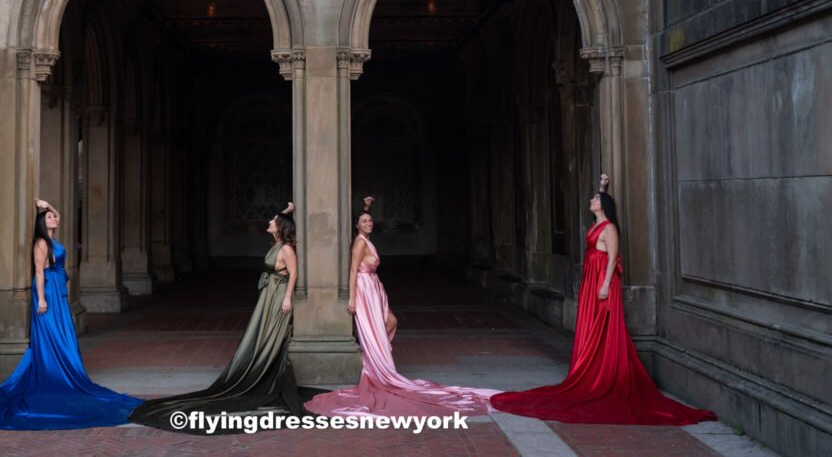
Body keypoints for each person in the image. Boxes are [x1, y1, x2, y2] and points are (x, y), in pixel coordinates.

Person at [490, 175, 716, 425]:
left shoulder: (609, 229)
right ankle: (590, 368)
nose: (591, 200)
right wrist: (602, 187)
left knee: (603, 325)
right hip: (592, 280)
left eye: (595, 199)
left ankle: (601, 373)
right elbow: (599, 222)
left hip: (602, 281)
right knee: (592, 326)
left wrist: (606, 284)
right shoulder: (598, 224)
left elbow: (612, 259)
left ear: (604, 206)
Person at [0, 200, 142, 430]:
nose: (54, 218)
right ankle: (53, 374)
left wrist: (47, 205)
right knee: (51, 334)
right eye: (49, 218)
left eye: (53, 217)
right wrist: (41, 299)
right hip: (48, 291)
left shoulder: (53, 238)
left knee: (64, 334)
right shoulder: (41, 243)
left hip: (58, 291)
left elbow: (59, 216)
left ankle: (67, 370)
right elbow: (39, 272)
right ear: (43, 225)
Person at [130, 202, 316, 434]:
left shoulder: (286, 249)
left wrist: (287, 298)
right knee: (260, 333)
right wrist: (287, 212)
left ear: (280, 227)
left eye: (273, 221)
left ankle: (267, 374)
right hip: (269, 294)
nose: (269, 222)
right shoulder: (277, 243)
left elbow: (294, 273)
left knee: (272, 336)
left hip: (278, 296)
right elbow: (279, 224)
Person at [305, 196, 498, 417]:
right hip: (364, 288)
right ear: (357, 225)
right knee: (377, 327)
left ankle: (376, 358)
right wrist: (352, 298)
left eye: (370, 221)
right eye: (364, 221)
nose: (369, 224)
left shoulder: (366, 239)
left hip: (374, 286)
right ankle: (374, 364)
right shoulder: (359, 242)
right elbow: (353, 269)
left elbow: (363, 225)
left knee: (391, 321)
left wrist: (366, 207)